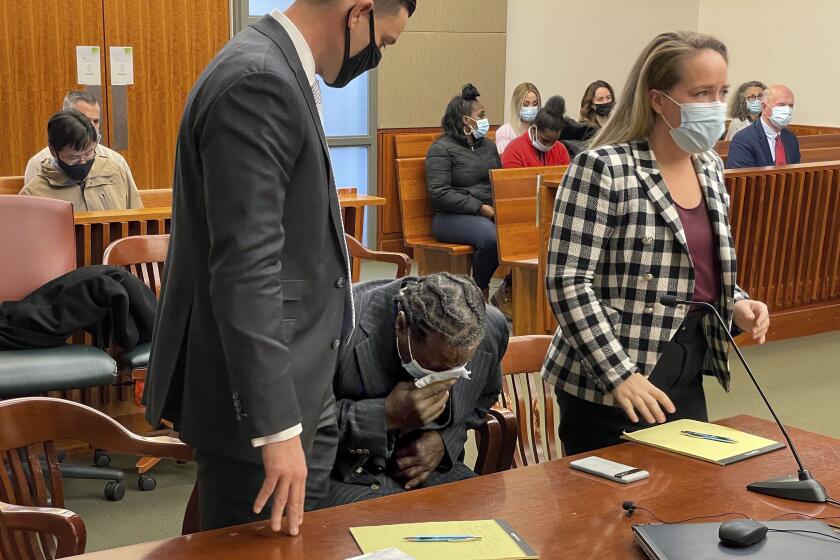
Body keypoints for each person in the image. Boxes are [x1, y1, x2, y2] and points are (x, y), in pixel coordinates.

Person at [143, 0, 414, 535]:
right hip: (261, 409)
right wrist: (277, 427)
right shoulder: (258, 80)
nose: (375, 57)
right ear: (358, 12)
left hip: (297, 386)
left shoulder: (276, 68)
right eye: (382, 43)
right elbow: (247, 268)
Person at [542, 31, 770, 455]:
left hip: (686, 363)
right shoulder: (602, 167)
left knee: (687, 499)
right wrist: (619, 373)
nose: (716, 106)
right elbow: (567, 281)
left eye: (721, 92)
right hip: (611, 377)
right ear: (658, 99)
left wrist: (736, 300)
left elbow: (698, 262)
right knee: (609, 511)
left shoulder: (710, 168)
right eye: (701, 93)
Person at [328, 273, 507, 505]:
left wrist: (444, 441)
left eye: (458, 369)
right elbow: (301, 426)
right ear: (402, 325)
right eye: (435, 367)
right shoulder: (339, 327)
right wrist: (383, 415)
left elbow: (484, 396)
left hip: (435, 474)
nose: (445, 379)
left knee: (494, 526)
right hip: (347, 478)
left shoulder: (486, 328)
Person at [425, 84, 503, 299]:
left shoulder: (488, 146)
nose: (485, 120)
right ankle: (478, 292)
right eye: (481, 115)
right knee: (492, 239)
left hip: (488, 213)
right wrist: (480, 208)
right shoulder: (441, 148)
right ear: (465, 121)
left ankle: (509, 291)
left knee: (528, 232)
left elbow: (499, 181)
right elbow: (439, 192)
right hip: (450, 217)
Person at [19, 109, 142, 211]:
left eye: (89, 153)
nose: (83, 162)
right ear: (53, 151)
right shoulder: (34, 194)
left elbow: (138, 219)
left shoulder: (114, 171)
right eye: (74, 158)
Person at [24, 91, 136, 188]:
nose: (91, 127)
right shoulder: (38, 163)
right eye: (85, 120)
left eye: (96, 121)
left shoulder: (115, 160)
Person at [726, 84, 799, 168]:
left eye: (790, 106)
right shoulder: (743, 140)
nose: (787, 110)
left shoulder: (790, 138)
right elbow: (742, 178)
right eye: (781, 105)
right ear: (764, 107)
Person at [502, 96, 572, 168]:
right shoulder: (514, 151)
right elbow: (510, 178)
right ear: (533, 130)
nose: (548, 145)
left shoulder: (561, 150)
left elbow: (566, 178)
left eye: (554, 141)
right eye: (545, 140)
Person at [495, 82, 541, 155]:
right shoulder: (505, 132)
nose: (531, 108)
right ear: (516, 105)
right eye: (526, 104)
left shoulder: (540, 130)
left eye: (535, 104)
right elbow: (505, 162)